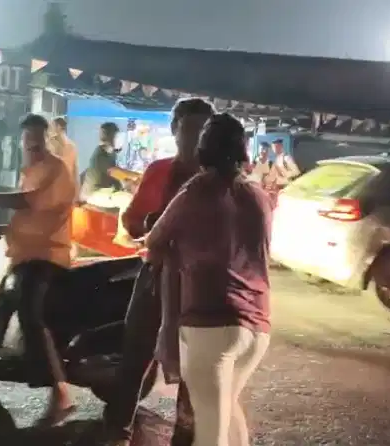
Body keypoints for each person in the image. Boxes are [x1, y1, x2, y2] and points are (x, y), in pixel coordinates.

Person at [145, 113, 272, 446]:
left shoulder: (199, 188)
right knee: (227, 411)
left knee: (210, 432)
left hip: (211, 325)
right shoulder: (258, 195)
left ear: (203, 150)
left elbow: (155, 238)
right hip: (257, 327)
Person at [102, 97, 216, 446]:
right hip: (155, 272)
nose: (195, 137)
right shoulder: (159, 171)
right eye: (189, 128)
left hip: (200, 283)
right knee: (136, 348)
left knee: (195, 364)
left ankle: (185, 433)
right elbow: (132, 220)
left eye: (203, 130)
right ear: (174, 130)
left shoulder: (219, 179)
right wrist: (149, 226)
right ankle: (119, 424)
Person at [0, 113, 77, 427]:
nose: (33, 144)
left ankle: (62, 392)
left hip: (47, 256)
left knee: (29, 313)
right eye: (28, 139)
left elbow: (31, 202)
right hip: (25, 256)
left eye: (38, 138)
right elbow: (29, 217)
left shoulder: (56, 169)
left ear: (47, 138)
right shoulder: (30, 170)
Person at [80, 122, 121, 201]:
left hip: (103, 191)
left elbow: (117, 176)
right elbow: (115, 172)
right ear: (111, 137)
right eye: (118, 136)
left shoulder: (111, 153)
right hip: (92, 194)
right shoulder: (100, 155)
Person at [48, 116, 79, 188]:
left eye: (52, 126)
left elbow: (75, 170)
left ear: (58, 127)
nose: (50, 129)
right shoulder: (72, 146)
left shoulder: (71, 146)